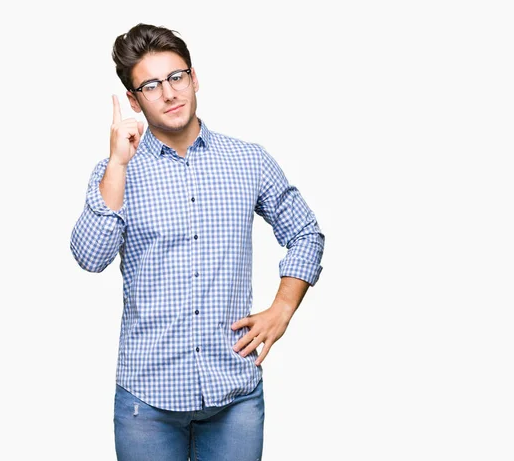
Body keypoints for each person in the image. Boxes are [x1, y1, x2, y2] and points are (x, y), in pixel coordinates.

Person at [70, 22, 324, 461]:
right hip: (146, 401)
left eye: (176, 77)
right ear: (133, 100)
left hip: (234, 394)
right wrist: (117, 161)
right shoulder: (117, 172)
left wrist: (282, 309)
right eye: (151, 85)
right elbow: (90, 257)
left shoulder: (248, 160)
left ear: (194, 78)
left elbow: (305, 233)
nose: (169, 94)